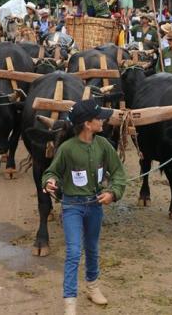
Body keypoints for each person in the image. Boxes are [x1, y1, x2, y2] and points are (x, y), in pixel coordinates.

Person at [42, 99, 127, 315]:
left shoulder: (103, 146)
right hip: (72, 206)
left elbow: (118, 173)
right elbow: (51, 171)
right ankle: (70, 301)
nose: (103, 121)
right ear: (88, 124)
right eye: (99, 118)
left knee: (92, 247)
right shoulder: (67, 149)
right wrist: (49, 182)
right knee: (73, 251)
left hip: (95, 206)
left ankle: (92, 286)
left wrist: (113, 192)